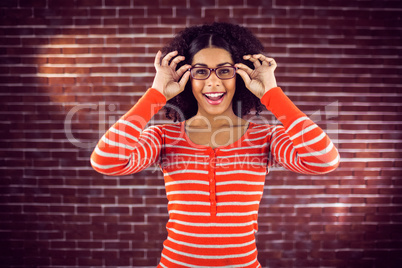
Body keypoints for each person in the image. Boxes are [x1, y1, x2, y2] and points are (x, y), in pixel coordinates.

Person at [91, 22, 340, 268]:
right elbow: (106, 161)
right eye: (200, 71)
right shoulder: (164, 137)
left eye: (224, 71)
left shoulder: (266, 138)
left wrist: (272, 94)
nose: (212, 83)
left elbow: (324, 160)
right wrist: (156, 95)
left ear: (240, 76)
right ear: (187, 77)